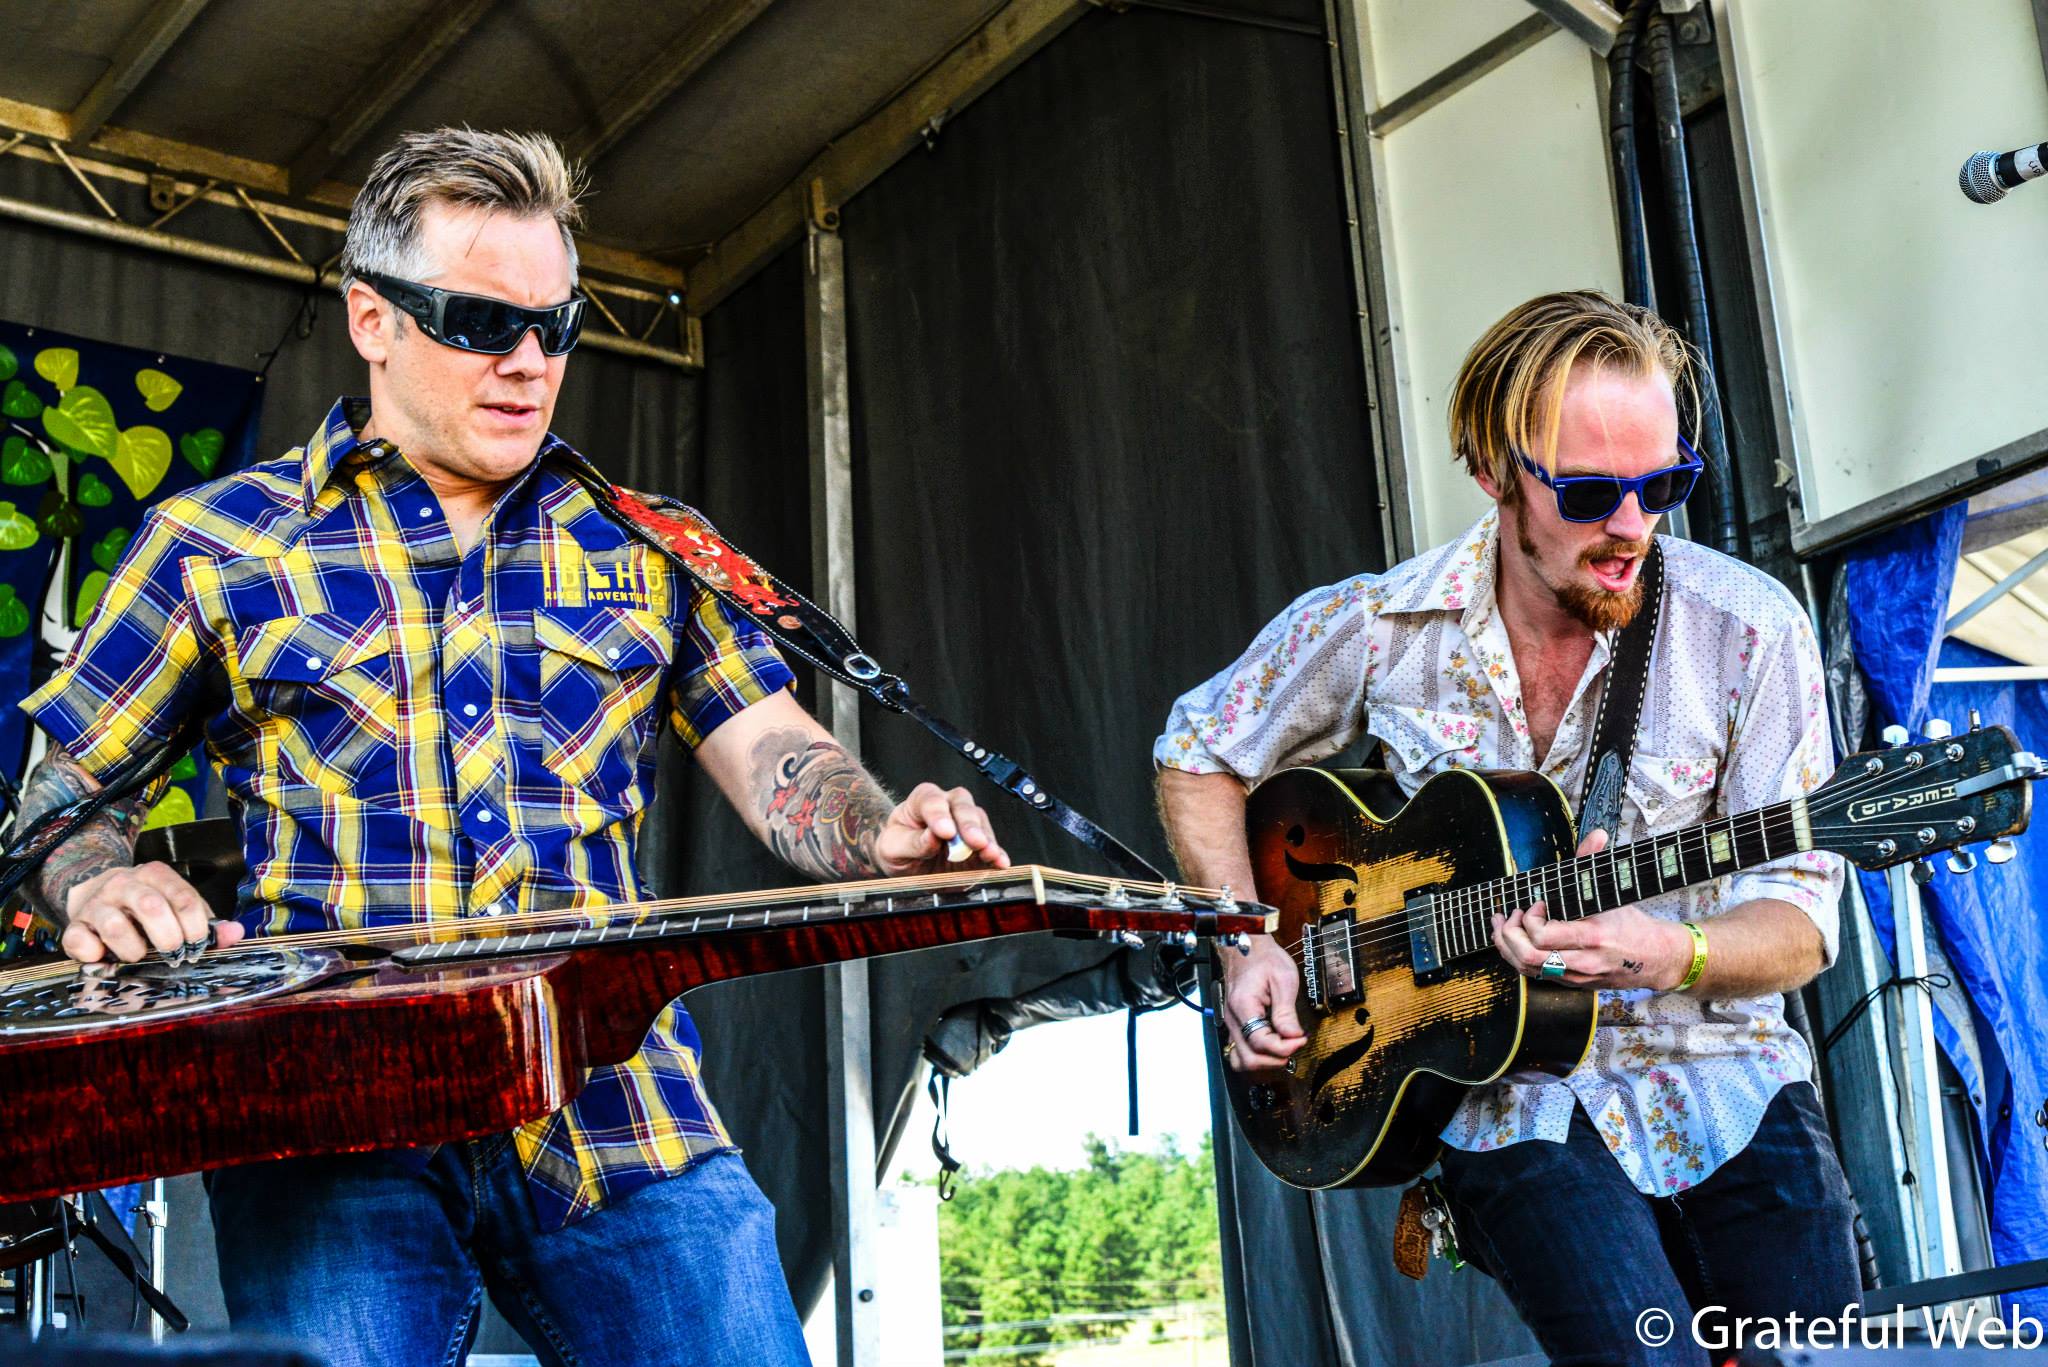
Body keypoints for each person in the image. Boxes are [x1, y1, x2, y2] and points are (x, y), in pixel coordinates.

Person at [14, 127, 1009, 1366]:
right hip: (330, 1120)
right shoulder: (217, 543)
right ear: (371, 318)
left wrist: (880, 828)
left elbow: (776, 757)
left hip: (618, 1109)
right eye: (481, 323)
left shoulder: (651, 543)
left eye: (557, 326)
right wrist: (100, 876)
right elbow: (61, 798)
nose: (530, 364)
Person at [1154, 291, 1860, 1365]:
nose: (1630, 525)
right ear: (1493, 473)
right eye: (1586, 491)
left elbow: (1802, 926)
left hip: (1723, 1071)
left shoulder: (1747, 629)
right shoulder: (1380, 625)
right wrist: (1244, 934)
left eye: (1662, 483)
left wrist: (1674, 950)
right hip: (1508, 1088)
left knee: (1818, 1357)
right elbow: (1198, 745)